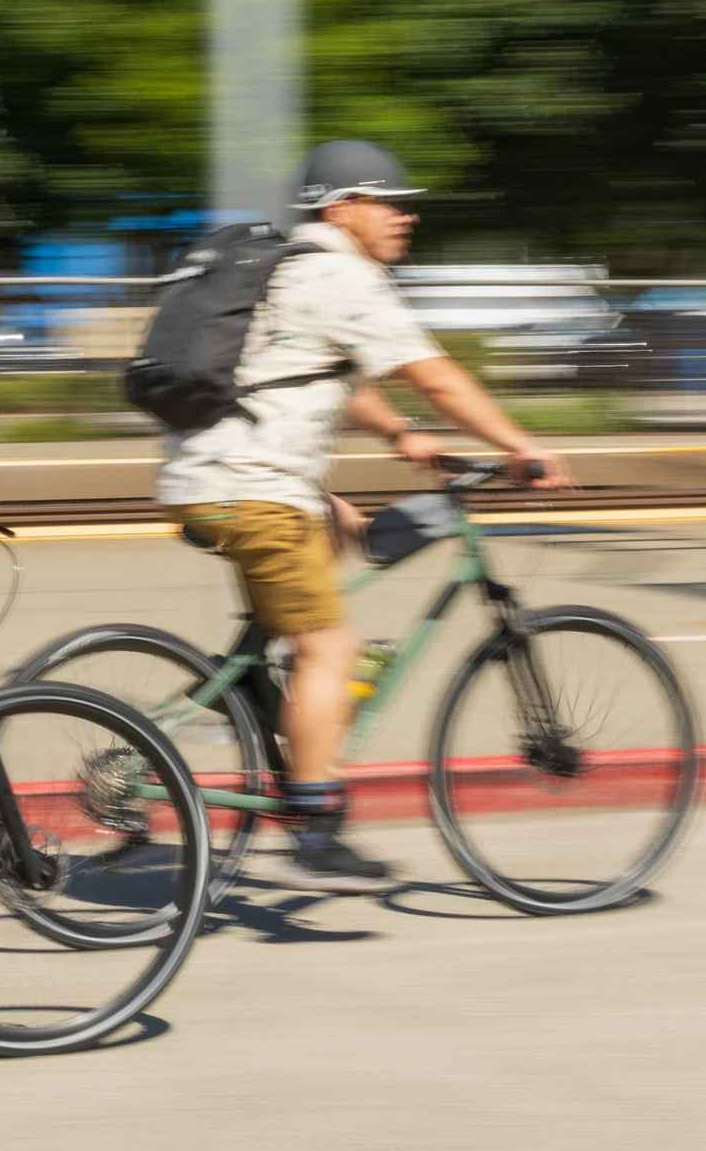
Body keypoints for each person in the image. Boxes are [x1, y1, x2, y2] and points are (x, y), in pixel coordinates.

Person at [157, 139, 572, 893]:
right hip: (253, 488)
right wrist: (521, 447)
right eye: (390, 202)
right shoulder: (342, 275)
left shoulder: (288, 266)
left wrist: (401, 436)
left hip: (213, 478)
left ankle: (259, 689)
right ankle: (316, 820)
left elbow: (329, 371)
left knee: (343, 530)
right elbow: (436, 378)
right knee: (329, 645)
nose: (405, 218)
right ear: (343, 207)